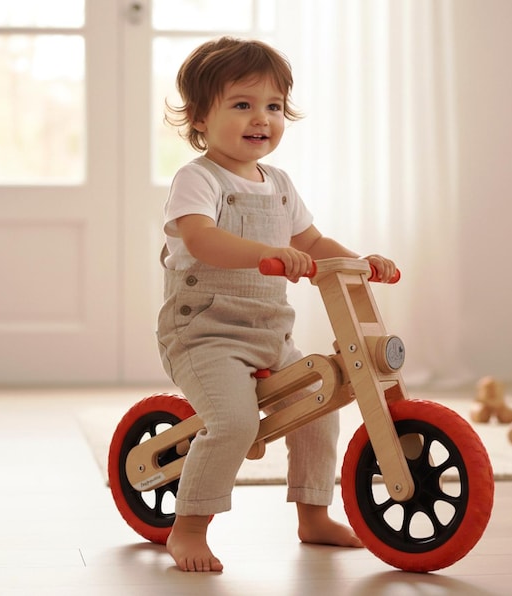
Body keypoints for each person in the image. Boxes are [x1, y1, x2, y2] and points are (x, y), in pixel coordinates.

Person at [157, 36, 397, 573]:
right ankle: (189, 528)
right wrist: (266, 253)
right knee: (235, 423)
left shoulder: (281, 184)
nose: (260, 118)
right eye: (241, 104)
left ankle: (313, 514)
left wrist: (362, 262)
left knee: (323, 398)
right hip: (205, 336)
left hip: (269, 335)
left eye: (272, 106)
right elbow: (201, 241)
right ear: (199, 117)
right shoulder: (198, 179)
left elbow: (313, 244)